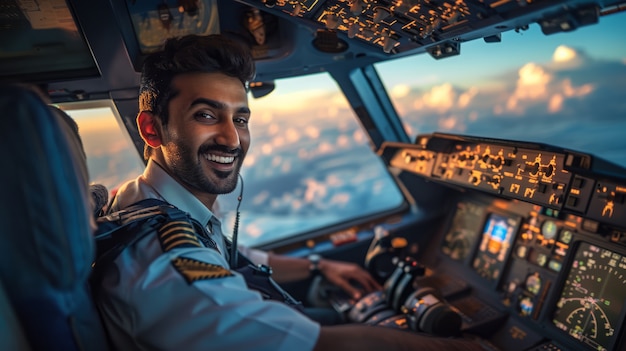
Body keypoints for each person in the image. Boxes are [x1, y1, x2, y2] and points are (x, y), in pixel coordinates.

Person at [95, 34, 484, 351]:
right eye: (206, 115)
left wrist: (320, 266)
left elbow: (234, 255)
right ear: (152, 130)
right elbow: (322, 346)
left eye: (240, 118)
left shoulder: (145, 201)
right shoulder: (165, 259)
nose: (232, 139)